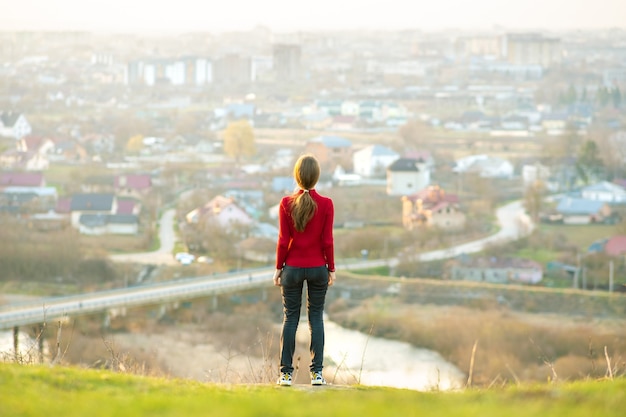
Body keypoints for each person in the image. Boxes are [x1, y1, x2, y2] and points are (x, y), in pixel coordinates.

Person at [273, 154, 336, 387]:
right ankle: (317, 374)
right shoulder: (327, 204)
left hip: (292, 268)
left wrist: (278, 268)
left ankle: (285, 375)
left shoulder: (285, 203)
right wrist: (332, 268)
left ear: (296, 176)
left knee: (290, 319)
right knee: (316, 319)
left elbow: (283, 240)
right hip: (319, 267)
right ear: (317, 176)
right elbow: (327, 240)